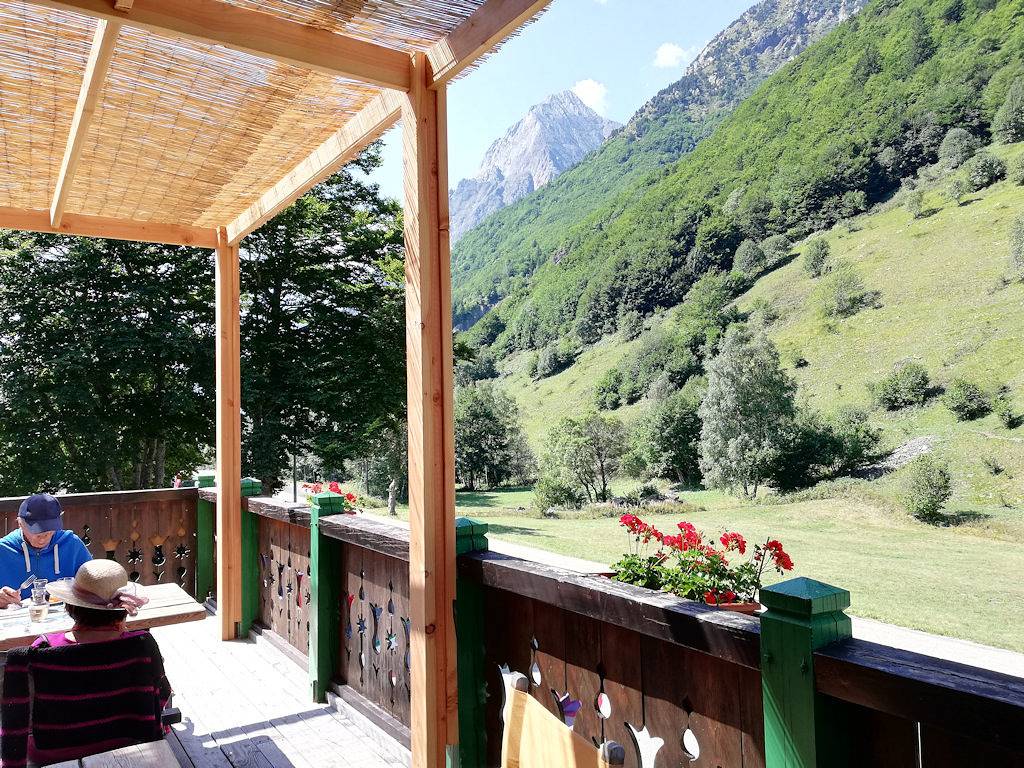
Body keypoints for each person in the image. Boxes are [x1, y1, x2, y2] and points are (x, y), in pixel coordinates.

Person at [0, 560, 171, 766]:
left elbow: (18, 718)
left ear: (70, 607)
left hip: (52, 754)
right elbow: (161, 696)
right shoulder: (142, 645)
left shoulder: (43, 648)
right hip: (124, 745)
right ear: (123, 611)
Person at [0, 493, 92, 607]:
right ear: (20, 523)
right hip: (16, 620)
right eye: (36, 533)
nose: (43, 539)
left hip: (65, 619)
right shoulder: (3, 549)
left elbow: (95, 585)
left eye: (49, 532)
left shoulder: (72, 544)